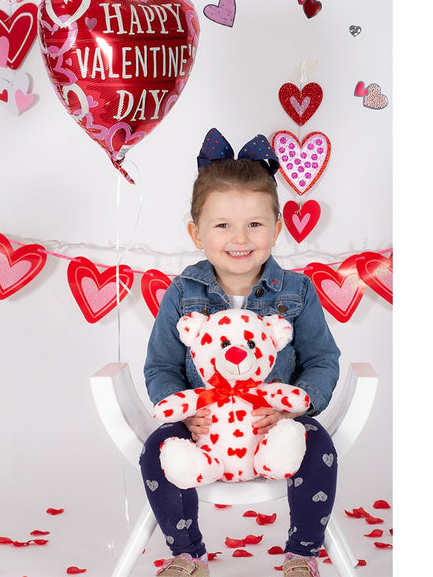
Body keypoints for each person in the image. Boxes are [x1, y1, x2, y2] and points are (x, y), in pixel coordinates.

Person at [140, 128, 341, 577]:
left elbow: (323, 360)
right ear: (196, 232)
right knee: (157, 448)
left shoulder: (297, 291)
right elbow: (161, 366)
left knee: (317, 443)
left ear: (277, 227)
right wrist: (185, 416)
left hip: (272, 423)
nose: (240, 238)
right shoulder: (182, 292)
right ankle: (187, 553)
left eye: (254, 223)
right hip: (208, 426)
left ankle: (302, 553)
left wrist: (295, 407)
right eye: (222, 225)